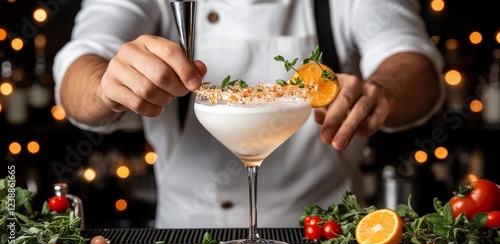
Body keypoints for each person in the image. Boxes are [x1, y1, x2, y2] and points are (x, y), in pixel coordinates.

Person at [53, 0, 444, 228]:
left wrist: (381, 92)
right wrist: (107, 83)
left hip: (325, 242)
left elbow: (412, 59)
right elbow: (80, 64)